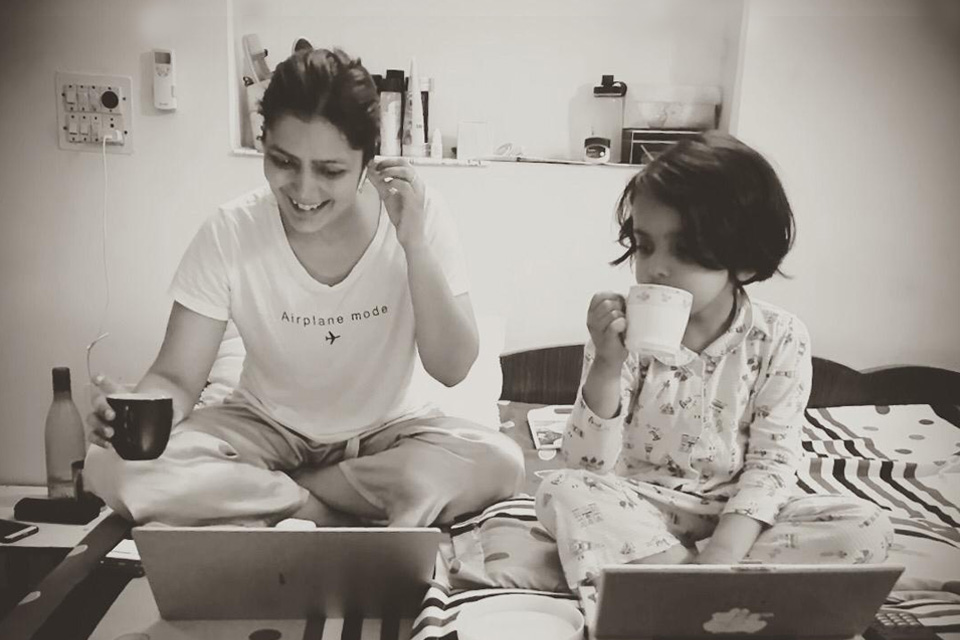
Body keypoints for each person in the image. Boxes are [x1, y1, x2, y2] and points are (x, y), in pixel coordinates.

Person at [83, 43, 524, 527]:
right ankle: (325, 511)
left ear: (367, 162)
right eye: (284, 162)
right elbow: (177, 378)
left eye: (330, 170)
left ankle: (283, 496)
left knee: (499, 463)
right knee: (111, 466)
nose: (304, 190)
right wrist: (136, 415)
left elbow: (453, 367)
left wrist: (414, 245)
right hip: (265, 428)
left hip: (390, 435)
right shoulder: (231, 230)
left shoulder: (419, 215)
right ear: (263, 142)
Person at [535, 131, 893, 593]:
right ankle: (697, 584)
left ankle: (679, 582)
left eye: (683, 250)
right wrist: (606, 364)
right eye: (645, 245)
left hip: (742, 515)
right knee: (560, 491)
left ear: (744, 262)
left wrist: (724, 551)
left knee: (864, 526)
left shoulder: (780, 337)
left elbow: (773, 461)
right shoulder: (621, 337)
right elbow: (587, 467)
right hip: (641, 505)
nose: (655, 268)